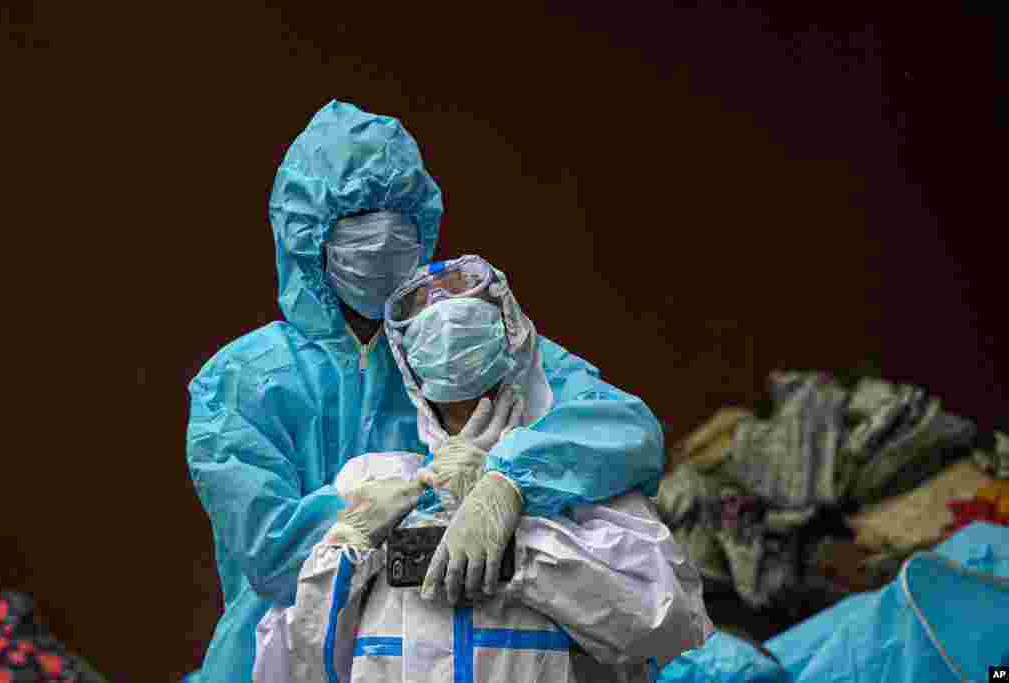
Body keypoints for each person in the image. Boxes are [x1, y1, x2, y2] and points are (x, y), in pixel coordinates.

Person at [185, 103, 665, 683]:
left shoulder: (460, 339)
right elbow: (271, 551)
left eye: (399, 219)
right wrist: (382, 521)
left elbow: (623, 430)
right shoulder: (241, 380)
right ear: (307, 235)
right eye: (359, 220)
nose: (383, 239)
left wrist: (509, 482)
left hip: (479, 653)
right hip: (294, 660)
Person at [251, 256, 713, 682]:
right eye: (421, 303)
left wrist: (517, 545)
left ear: (510, 330)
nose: (442, 306)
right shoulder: (373, 479)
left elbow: (668, 628)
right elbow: (291, 666)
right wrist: (343, 554)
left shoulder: (582, 481)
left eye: (460, 291)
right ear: (407, 363)